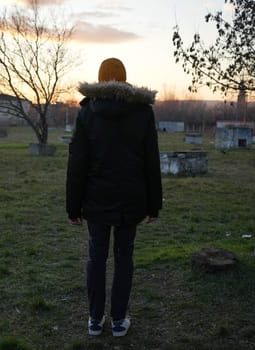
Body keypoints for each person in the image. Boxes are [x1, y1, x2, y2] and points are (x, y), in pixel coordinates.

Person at [66, 58, 163, 337]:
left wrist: (73, 206)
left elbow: (78, 162)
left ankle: (95, 321)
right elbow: (150, 161)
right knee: (124, 257)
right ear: (125, 79)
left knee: (96, 257)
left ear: (100, 80)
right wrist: (154, 204)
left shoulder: (87, 112)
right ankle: (118, 321)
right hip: (131, 201)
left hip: (96, 200)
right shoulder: (143, 112)